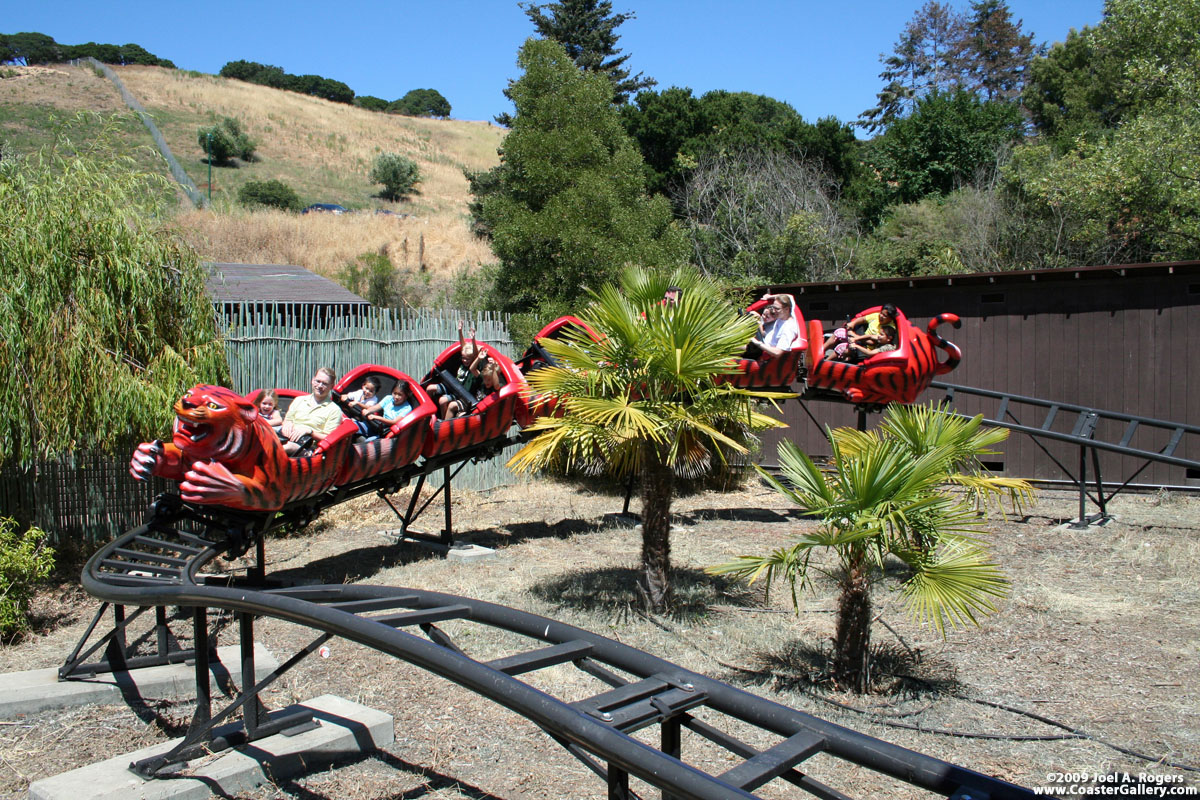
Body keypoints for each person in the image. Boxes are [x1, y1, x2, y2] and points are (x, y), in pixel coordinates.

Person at [425, 321, 485, 418]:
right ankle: (428, 413)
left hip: (462, 393)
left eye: (467, 359)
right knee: (430, 388)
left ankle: (443, 421)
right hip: (454, 387)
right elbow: (463, 346)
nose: (464, 360)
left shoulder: (474, 368)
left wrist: (473, 339)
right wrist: (460, 331)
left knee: (442, 400)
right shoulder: (463, 362)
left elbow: (475, 354)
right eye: (463, 358)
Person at [280, 367, 344, 456]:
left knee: (287, 447)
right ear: (313, 380)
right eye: (318, 381)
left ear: (331, 386)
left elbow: (329, 439)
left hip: (309, 449)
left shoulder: (334, 410)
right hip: (287, 438)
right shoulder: (299, 400)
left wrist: (310, 432)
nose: (320, 386)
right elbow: (288, 419)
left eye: (324, 383)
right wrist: (287, 423)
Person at [823, 303, 898, 357]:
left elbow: (872, 342)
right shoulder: (876, 316)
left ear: (890, 318)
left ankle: (824, 363)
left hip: (866, 346)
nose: (881, 316)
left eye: (884, 316)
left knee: (842, 348)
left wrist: (855, 337)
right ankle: (820, 351)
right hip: (858, 337)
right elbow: (862, 319)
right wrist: (853, 323)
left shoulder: (889, 329)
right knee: (839, 332)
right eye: (881, 313)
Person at [750, 293, 802, 357]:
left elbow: (777, 353)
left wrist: (757, 343)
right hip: (762, 343)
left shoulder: (789, 328)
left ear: (787, 309)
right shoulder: (787, 313)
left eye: (777, 309)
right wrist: (770, 297)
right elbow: (789, 296)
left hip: (763, 352)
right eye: (773, 307)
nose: (774, 311)